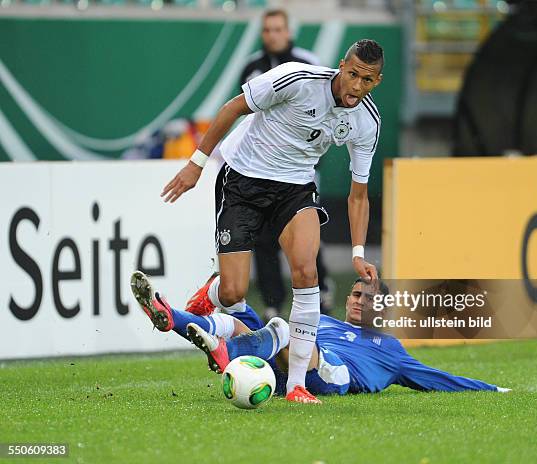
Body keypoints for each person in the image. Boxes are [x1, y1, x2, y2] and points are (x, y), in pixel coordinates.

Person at [160, 39, 384, 404]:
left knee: (307, 273)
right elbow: (233, 108)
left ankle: (297, 384)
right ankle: (212, 294)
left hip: (295, 189)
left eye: (368, 80)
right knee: (234, 292)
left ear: (378, 81)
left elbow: (358, 194)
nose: (357, 87)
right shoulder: (295, 79)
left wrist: (358, 252)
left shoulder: (366, 121)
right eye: (353, 75)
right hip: (243, 178)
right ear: (342, 66)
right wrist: (196, 164)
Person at [130, 271, 510, 398]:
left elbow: (432, 378)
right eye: (357, 294)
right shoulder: (325, 322)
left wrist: (490, 389)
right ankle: (170, 316)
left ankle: (219, 346)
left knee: (280, 328)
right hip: (288, 370)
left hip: (328, 376)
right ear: (348, 297)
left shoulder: (389, 348)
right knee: (234, 301)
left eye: (371, 299)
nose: (361, 302)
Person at [239, 9, 332, 322]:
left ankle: (321, 290)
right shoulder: (252, 67)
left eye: (278, 29)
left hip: (298, 168)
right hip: (260, 167)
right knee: (264, 236)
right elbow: (245, 115)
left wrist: (316, 158)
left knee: (305, 236)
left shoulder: (309, 63)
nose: (272, 35)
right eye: (267, 29)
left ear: (289, 32)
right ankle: (272, 301)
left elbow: (326, 111)